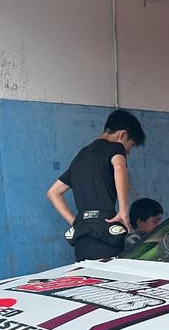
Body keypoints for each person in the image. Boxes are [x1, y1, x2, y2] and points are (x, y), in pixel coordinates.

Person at [47, 109, 146, 260]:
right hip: (107, 234)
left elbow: (53, 193)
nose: (128, 152)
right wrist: (123, 211)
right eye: (130, 145)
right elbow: (119, 167)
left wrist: (76, 222)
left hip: (82, 239)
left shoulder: (80, 156)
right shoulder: (116, 147)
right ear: (122, 135)